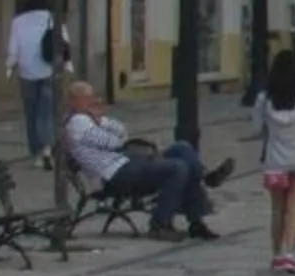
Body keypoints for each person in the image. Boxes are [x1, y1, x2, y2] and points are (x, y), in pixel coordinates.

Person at [61, 81, 216, 240]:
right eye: (86, 98)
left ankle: (204, 181)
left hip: (126, 164)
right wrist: (103, 125)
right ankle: (161, 224)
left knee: (181, 148)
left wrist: (101, 121)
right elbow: (115, 142)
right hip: (113, 175)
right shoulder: (77, 122)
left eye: (92, 96)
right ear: (74, 101)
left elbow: (122, 130)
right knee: (178, 168)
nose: (93, 101)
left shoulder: (91, 119)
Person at [252, 48, 295, 274]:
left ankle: (276, 253)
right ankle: (291, 254)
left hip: (274, 163)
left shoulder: (264, 99)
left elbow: (255, 129)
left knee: (277, 209)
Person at [5, 0, 64, 166]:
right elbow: (64, 43)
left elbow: (13, 49)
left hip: (26, 72)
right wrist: (67, 67)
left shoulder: (18, 21)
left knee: (30, 113)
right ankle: (47, 147)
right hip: (49, 70)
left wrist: (9, 67)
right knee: (46, 112)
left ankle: (36, 152)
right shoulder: (53, 18)